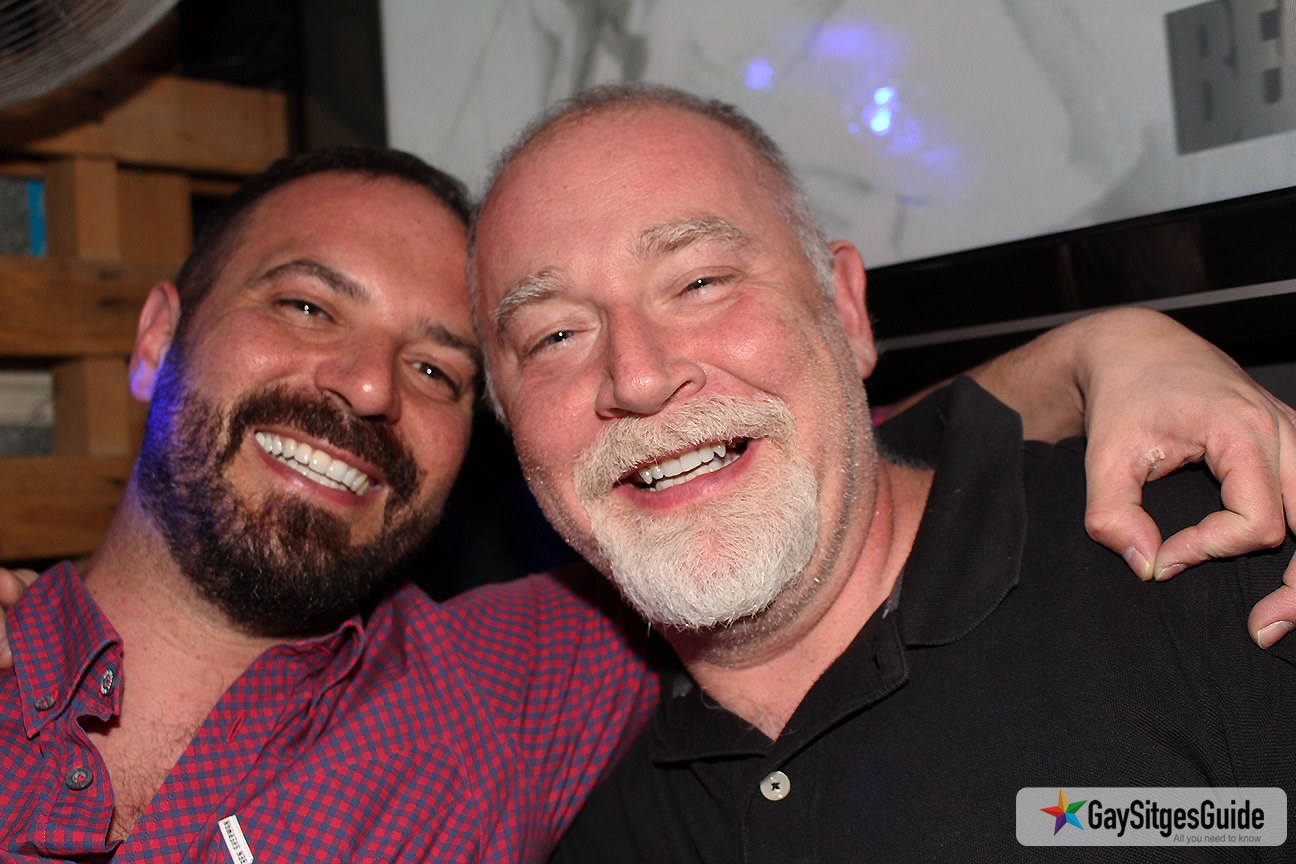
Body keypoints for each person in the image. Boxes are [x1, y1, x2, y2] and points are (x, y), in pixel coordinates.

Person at [0, 140, 1293, 863]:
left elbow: (760, 457)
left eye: (439, 368)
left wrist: (1107, 346)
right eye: (303, 305)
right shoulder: (564, 695)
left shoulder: (501, 688)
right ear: (157, 337)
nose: (368, 388)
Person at [464, 83, 1296, 860]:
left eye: (701, 282)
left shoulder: (1217, 569)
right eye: (554, 337)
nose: (639, 377)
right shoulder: (597, 826)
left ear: (847, 309)